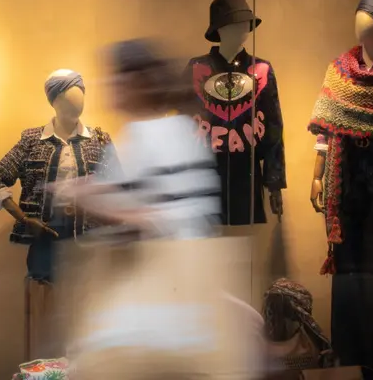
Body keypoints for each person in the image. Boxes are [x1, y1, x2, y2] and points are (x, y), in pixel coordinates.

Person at [59, 39, 264, 379]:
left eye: (116, 79)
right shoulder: (177, 130)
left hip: (169, 298)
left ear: (136, 84)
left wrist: (88, 197)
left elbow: (156, 218)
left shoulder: (146, 135)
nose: (108, 87)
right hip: (186, 293)